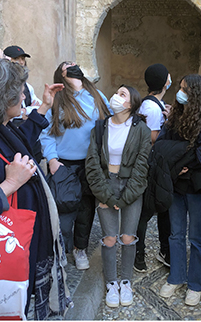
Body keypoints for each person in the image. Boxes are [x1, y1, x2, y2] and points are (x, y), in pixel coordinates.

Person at [0, 57, 70, 319]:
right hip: (1, 258)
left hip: (24, 245)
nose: (23, 94)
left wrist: (43, 109)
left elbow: (20, 145)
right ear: (1, 99)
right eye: (19, 90)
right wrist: (9, 185)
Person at [39, 61, 111, 269]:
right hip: (63, 164)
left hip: (90, 163)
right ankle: (60, 250)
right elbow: (46, 132)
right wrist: (52, 160)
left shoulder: (96, 95)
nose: (73, 67)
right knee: (63, 212)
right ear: (60, 74)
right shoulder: (57, 99)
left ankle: (80, 249)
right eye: (67, 66)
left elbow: (109, 123)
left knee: (85, 210)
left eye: (75, 65)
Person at [85, 85, 151, 308]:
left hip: (131, 186)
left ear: (131, 104)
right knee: (110, 238)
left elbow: (142, 166)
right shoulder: (100, 127)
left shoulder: (140, 128)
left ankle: (126, 282)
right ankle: (111, 284)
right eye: (117, 92)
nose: (115, 96)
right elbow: (92, 163)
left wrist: (125, 197)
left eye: (122, 94)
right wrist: (107, 195)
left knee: (128, 237)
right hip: (105, 184)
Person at [157, 74, 201, 306]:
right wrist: (178, 161)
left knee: (196, 236)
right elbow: (161, 146)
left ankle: (196, 283)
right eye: (180, 87)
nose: (180, 92)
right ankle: (177, 277)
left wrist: (183, 162)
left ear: (195, 94)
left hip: (195, 187)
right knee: (175, 233)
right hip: (175, 184)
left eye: (184, 89)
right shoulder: (174, 117)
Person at [135, 64, 173, 273]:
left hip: (154, 164)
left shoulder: (156, 104)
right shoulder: (151, 107)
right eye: (168, 76)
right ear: (163, 81)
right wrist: (169, 124)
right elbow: (150, 137)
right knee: (146, 211)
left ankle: (160, 250)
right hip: (150, 165)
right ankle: (138, 254)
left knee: (154, 209)